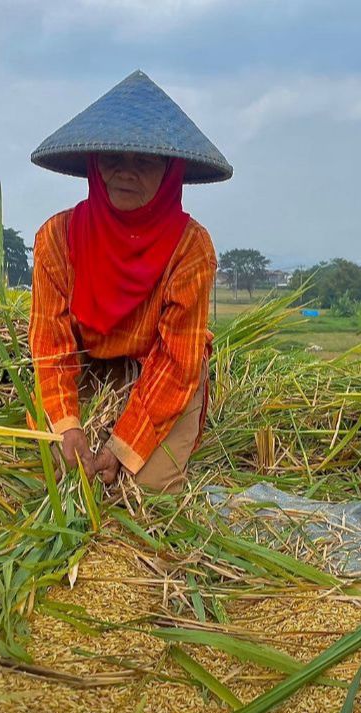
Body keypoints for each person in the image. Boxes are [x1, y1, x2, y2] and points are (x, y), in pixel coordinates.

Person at [27, 70, 233, 493]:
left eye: (145, 161)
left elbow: (177, 362)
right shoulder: (57, 238)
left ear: (170, 171)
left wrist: (122, 447)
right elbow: (52, 346)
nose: (126, 173)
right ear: (93, 164)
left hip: (157, 369)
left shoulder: (190, 249)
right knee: (53, 470)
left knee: (148, 488)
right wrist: (67, 427)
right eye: (114, 159)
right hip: (89, 364)